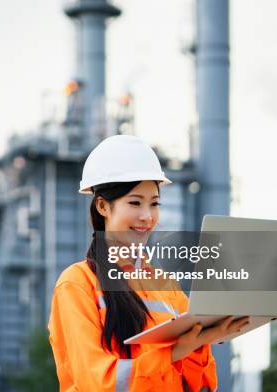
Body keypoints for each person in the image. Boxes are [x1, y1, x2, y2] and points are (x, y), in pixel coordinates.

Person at [47, 135, 249, 391]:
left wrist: (204, 339)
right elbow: (98, 383)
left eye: (154, 204)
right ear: (102, 206)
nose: (147, 216)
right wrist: (174, 352)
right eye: (135, 203)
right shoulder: (77, 284)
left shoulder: (165, 286)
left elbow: (201, 384)